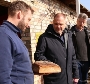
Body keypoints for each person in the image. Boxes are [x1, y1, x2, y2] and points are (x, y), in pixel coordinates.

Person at [34, 13, 79, 84]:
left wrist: (76, 74)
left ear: (65, 24)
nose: (58, 26)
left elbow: (73, 56)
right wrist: (52, 65)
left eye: (61, 24)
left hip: (68, 79)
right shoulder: (44, 38)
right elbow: (38, 55)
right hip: (53, 79)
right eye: (56, 24)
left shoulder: (69, 37)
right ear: (52, 23)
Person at [0, 1, 34, 84]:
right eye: (28, 19)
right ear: (19, 14)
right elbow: (2, 77)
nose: (29, 24)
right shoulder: (3, 35)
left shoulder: (12, 34)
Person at [71, 13, 90, 84]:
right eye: (80, 21)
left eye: (83, 22)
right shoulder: (71, 32)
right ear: (77, 20)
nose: (81, 23)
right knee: (77, 80)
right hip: (76, 60)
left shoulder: (87, 32)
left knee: (84, 80)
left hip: (86, 60)